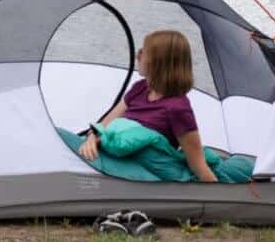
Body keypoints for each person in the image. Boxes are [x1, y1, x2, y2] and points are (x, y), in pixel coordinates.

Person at [78, 30, 218, 183]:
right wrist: (92, 138)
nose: (138, 55)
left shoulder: (178, 108)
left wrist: (218, 199)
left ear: (159, 62)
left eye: (144, 52)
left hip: (139, 171)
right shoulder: (140, 88)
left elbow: (198, 164)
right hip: (112, 157)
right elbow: (104, 125)